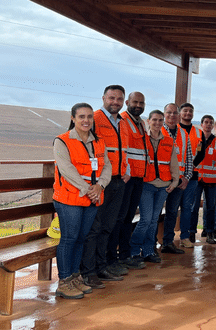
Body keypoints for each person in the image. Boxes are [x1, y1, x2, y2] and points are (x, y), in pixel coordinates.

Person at [52, 103, 111, 299]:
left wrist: (100, 186)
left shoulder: (99, 142)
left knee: (80, 238)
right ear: (73, 119)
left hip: (91, 198)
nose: (86, 121)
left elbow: (107, 167)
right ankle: (64, 281)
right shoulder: (62, 141)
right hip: (69, 198)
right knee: (69, 239)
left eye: (89, 117)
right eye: (81, 117)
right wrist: (88, 190)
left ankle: (75, 277)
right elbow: (66, 169)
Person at [81, 85, 130, 288]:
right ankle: (88, 271)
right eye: (111, 98)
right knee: (95, 227)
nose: (115, 102)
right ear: (103, 98)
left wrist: (126, 170)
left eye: (119, 99)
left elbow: (122, 150)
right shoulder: (95, 119)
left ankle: (102, 266)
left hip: (118, 180)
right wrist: (96, 182)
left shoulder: (123, 122)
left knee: (108, 226)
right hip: (100, 183)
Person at [130, 110, 179, 264]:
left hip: (163, 186)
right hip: (146, 185)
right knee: (146, 220)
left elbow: (174, 163)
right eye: (154, 120)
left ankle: (148, 250)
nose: (157, 123)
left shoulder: (169, 141)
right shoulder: (142, 140)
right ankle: (133, 250)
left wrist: (175, 181)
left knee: (153, 220)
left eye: (160, 120)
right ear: (148, 121)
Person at [113, 92, 147, 272]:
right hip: (126, 177)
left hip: (139, 177)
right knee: (120, 217)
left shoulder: (141, 123)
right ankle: (116, 257)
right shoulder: (122, 120)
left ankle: (125, 254)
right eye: (135, 102)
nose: (138, 105)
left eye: (141, 102)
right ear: (127, 102)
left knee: (128, 217)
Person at [159, 103, 193, 255]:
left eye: (175, 113)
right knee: (155, 214)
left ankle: (168, 242)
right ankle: (150, 245)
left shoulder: (184, 134)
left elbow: (189, 158)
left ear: (178, 115)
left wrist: (186, 178)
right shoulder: (156, 130)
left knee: (172, 212)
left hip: (178, 181)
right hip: (160, 181)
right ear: (164, 114)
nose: (172, 116)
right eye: (169, 113)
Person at [193, 115, 216, 245]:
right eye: (206, 122)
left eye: (211, 123)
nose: (208, 124)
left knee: (211, 207)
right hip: (196, 178)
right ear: (202, 124)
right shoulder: (196, 139)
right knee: (193, 208)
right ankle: (191, 233)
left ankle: (210, 233)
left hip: (212, 180)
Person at [177, 103, 202, 248]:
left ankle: (185, 237)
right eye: (185, 110)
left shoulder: (198, 133)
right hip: (174, 176)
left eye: (190, 111)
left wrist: (191, 167)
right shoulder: (173, 130)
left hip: (191, 176)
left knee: (188, 207)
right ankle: (166, 239)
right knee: (172, 208)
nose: (187, 113)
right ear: (180, 112)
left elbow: (201, 152)